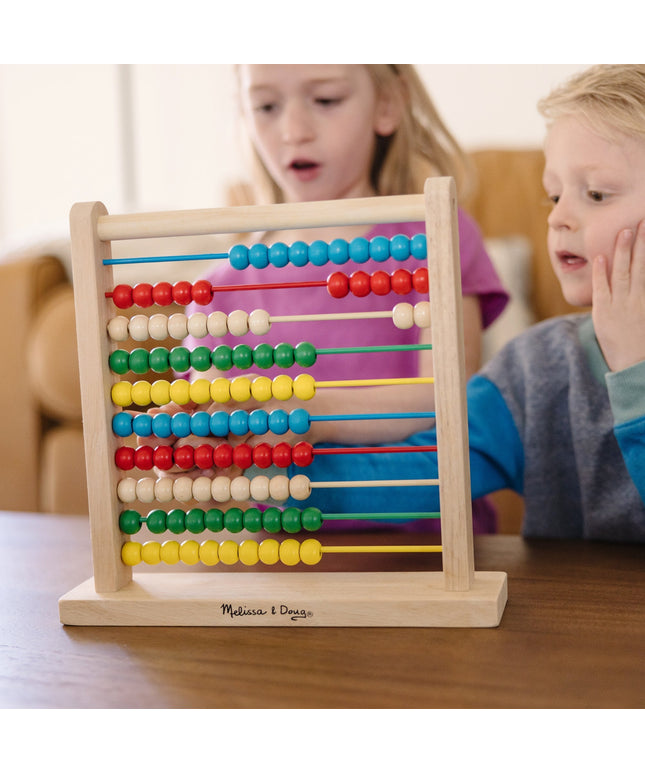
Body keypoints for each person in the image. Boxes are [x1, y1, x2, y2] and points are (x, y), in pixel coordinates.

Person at [295, 64, 645, 542]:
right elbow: (421, 474)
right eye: (553, 196)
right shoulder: (534, 370)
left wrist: (634, 373)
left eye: (597, 194)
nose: (558, 217)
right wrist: (268, 476)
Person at [183, 64, 509, 533]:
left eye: (326, 100)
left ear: (386, 104)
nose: (294, 131)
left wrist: (311, 412)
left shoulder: (436, 239)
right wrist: (192, 448)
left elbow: (450, 397)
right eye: (266, 106)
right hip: (281, 557)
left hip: (429, 548)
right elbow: (211, 436)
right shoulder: (215, 293)